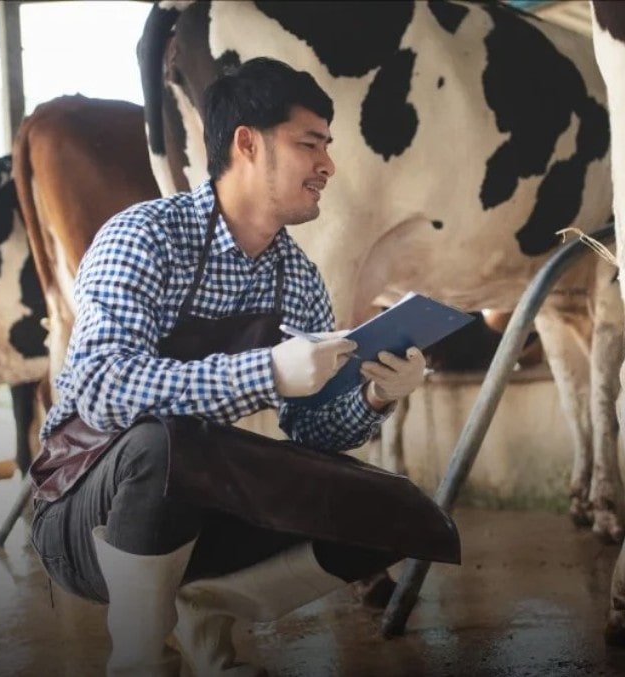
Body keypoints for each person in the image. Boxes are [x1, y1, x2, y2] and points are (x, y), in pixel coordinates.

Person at [28, 57, 458, 676]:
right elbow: (102, 387)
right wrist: (268, 373)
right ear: (247, 144)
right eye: (310, 144)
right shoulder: (144, 236)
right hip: (84, 507)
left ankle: (202, 603)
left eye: (327, 147)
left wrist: (374, 398)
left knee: (396, 515)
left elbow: (313, 431)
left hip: (202, 496)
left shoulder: (297, 278)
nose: (328, 166)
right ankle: (140, 655)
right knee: (161, 445)